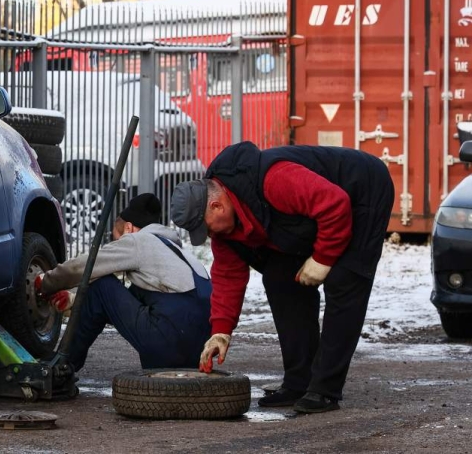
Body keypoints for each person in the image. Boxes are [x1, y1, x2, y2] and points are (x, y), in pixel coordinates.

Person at [171, 142, 394, 414]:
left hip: (361, 191)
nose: (207, 235)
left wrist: (323, 258)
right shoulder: (225, 231)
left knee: (345, 282)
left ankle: (325, 389)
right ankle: (299, 383)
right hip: (311, 216)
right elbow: (228, 276)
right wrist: (220, 331)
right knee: (279, 278)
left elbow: (334, 204)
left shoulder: (274, 180)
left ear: (217, 206)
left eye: (204, 227)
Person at [36, 193, 212, 372]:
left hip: (169, 341)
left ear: (129, 228)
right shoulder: (175, 252)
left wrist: (47, 282)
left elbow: (83, 266)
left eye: (116, 240)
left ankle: (64, 365)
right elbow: (128, 305)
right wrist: (75, 302)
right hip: (200, 350)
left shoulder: (138, 241)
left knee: (102, 286)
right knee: (106, 293)